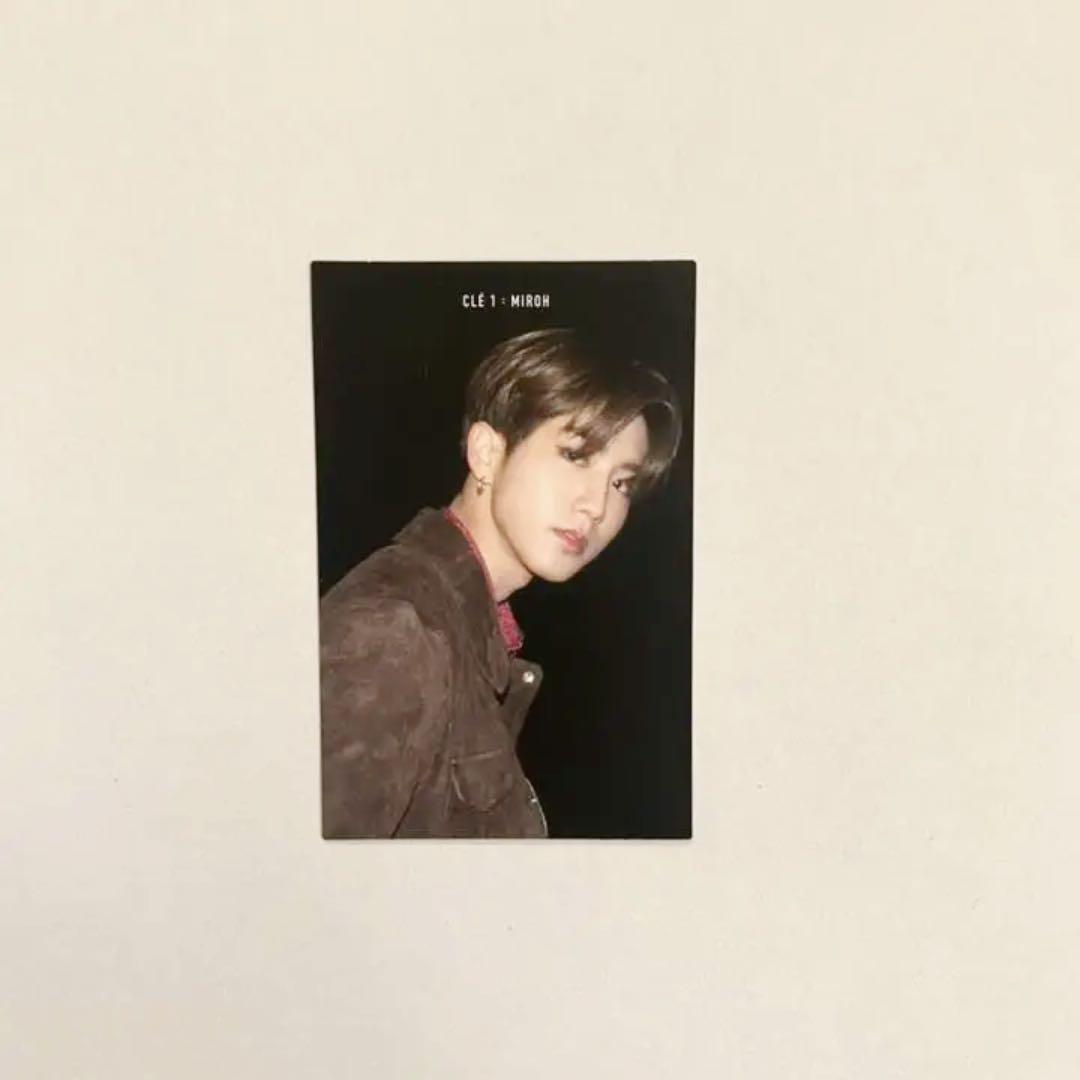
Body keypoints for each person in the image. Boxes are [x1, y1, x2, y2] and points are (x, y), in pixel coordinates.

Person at [319, 328, 682, 838]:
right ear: (487, 453)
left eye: (621, 482)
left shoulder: (464, 627)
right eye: (576, 455)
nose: (597, 506)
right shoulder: (394, 629)